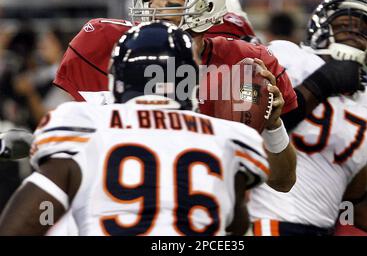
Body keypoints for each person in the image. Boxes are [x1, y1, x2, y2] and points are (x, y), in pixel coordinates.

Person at [0, 21, 296, 235]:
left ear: (117, 76)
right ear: (190, 81)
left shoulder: (83, 124)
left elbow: (18, 227)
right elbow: (236, 228)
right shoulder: (227, 137)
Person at [53, 0, 365, 134]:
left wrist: (271, 129)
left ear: (209, 2)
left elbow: (275, 177)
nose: (156, 6)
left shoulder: (249, 63)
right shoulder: (104, 41)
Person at [249, 0, 367, 236]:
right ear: (320, 30)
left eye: (362, 31)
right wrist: (320, 84)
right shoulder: (289, 58)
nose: (354, 33)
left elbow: (356, 202)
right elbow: (254, 128)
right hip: (270, 222)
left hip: (323, 230)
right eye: (343, 26)